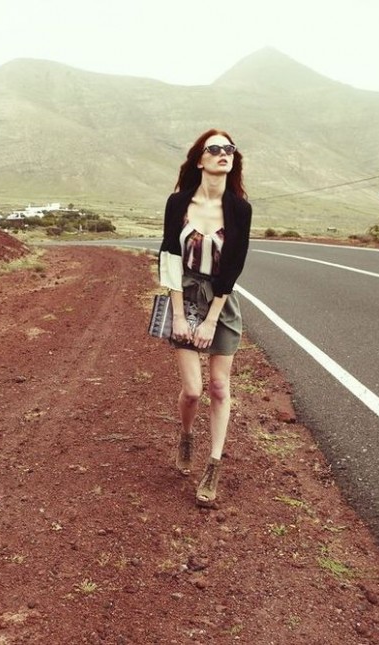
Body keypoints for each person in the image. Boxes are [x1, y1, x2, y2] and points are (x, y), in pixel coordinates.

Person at [157, 128, 252, 507]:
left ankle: (213, 464)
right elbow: (169, 257)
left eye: (229, 148)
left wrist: (211, 320)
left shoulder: (239, 209)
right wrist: (179, 316)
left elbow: (233, 267)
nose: (223, 153)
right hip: (183, 295)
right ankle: (185, 435)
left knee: (219, 387)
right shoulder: (178, 203)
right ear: (200, 160)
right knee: (193, 390)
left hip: (220, 302)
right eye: (214, 149)